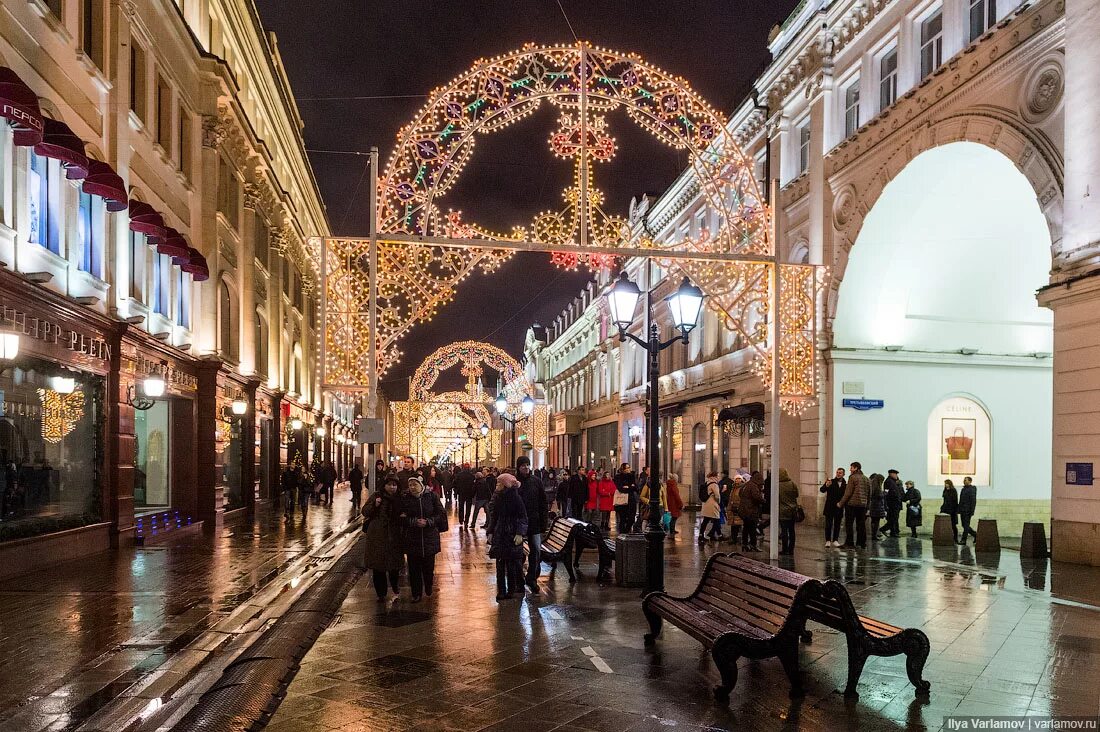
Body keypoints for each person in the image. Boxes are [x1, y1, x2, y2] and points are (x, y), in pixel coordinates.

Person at [397, 477, 445, 602]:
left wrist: (429, 522)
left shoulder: (432, 497)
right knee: (413, 569)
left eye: (415, 484)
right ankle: (416, 593)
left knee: (428, 568)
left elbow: (440, 514)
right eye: (410, 485)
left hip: (429, 538)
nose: (412, 487)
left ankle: (428, 585)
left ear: (421, 485)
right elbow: (400, 517)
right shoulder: (405, 498)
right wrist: (413, 522)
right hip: (412, 538)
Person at [487, 472, 528, 601]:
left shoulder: (516, 498)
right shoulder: (498, 497)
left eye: (499, 483)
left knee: (510, 564)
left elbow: (523, 517)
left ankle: (510, 590)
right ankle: (501, 591)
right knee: (500, 564)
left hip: (511, 535)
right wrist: (491, 531)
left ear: (505, 485)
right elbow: (494, 517)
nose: (496, 485)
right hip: (500, 534)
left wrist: (520, 533)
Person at [363, 476, 403, 601]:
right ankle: (381, 594)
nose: (392, 487)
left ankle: (395, 587)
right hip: (377, 536)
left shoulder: (400, 498)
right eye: (390, 484)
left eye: (395, 485)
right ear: (384, 485)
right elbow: (365, 511)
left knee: (394, 567)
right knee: (378, 567)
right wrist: (375, 505)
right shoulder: (377, 496)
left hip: (395, 536)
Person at [515, 456, 548, 594]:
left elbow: (543, 503)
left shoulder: (536, 481)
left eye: (528, 465)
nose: (526, 468)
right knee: (517, 551)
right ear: (518, 467)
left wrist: (543, 523)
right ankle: (518, 579)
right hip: (519, 523)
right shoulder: (514, 482)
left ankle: (532, 578)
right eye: (523, 465)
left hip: (534, 521)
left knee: (536, 551)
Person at [838, 461, 869, 549]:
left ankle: (849, 543)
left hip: (852, 504)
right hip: (863, 505)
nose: (850, 469)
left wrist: (841, 503)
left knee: (849, 524)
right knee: (861, 524)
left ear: (856, 468)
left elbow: (848, 493)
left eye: (851, 467)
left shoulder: (852, 477)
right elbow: (869, 494)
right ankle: (861, 543)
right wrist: (867, 506)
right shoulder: (866, 479)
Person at [738, 472, 765, 552]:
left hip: (743, 510)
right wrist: (763, 500)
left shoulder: (746, 484)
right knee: (752, 528)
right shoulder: (753, 486)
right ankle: (753, 545)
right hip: (751, 510)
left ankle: (745, 544)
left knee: (746, 528)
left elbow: (740, 494)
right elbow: (757, 497)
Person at [777, 468, 801, 555]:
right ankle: (791, 550)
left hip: (783, 511)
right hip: (792, 510)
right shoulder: (792, 484)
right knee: (792, 531)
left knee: (784, 531)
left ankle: (785, 549)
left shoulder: (778, 485)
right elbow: (797, 494)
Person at [820, 468, 845, 547]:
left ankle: (835, 540)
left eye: (840, 473)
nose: (838, 474)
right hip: (830, 506)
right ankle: (827, 540)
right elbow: (822, 490)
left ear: (843, 474)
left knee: (837, 524)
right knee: (828, 524)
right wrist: (827, 485)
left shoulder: (845, 483)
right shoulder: (831, 481)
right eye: (837, 472)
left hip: (839, 507)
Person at [698, 472, 723, 544]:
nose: (718, 477)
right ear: (714, 476)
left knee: (705, 521)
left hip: (706, 505)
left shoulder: (707, 482)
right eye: (717, 476)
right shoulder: (714, 484)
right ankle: (712, 534)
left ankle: (701, 535)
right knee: (717, 520)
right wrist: (718, 502)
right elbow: (717, 496)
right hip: (712, 505)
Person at [613, 463, 635, 535]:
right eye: (627, 468)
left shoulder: (632, 476)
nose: (628, 469)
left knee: (631, 519)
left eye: (629, 467)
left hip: (631, 500)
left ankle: (626, 531)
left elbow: (635, 487)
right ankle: (622, 534)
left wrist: (628, 487)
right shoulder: (618, 477)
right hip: (622, 502)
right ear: (623, 469)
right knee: (623, 519)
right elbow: (621, 489)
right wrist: (630, 487)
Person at [454, 464, 476, 529]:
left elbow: (455, 483)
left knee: (461, 507)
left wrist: (457, 490)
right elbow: (473, 485)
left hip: (461, 493)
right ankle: (466, 521)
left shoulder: (459, 475)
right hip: (469, 494)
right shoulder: (472, 476)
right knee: (468, 508)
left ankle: (461, 520)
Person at [884, 469, 904, 538]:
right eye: (895, 474)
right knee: (893, 519)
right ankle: (884, 529)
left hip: (896, 504)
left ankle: (894, 532)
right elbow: (887, 493)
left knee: (894, 518)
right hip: (892, 504)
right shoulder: (888, 481)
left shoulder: (894, 482)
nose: (896, 475)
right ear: (891, 474)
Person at [725, 474, 744, 546]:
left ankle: (737, 539)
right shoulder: (733, 487)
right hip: (732, 508)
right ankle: (734, 538)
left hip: (738, 508)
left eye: (739, 479)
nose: (737, 480)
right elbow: (731, 498)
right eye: (736, 479)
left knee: (738, 524)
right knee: (733, 524)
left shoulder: (742, 488)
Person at [958, 476, 978, 545]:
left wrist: (972, 511)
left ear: (970, 481)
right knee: (964, 525)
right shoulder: (963, 489)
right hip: (962, 510)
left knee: (966, 525)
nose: (964, 481)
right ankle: (976, 535)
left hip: (967, 511)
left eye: (966, 480)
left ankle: (963, 540)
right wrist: (959, 509)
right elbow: (960, 500)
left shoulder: (972, 489)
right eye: (964, 480)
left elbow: (973, 501)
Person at [941, 479, 960, 544]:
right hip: (945, 509)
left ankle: (955, 538)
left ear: (950, 484)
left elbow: (955, 501)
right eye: (945, 483)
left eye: (947, 483)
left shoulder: (953, 490)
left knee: (953, 525)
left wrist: (954, 510)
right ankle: (946, 537)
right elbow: (944, 500)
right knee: (945, 524)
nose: (946, 485)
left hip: (952, 510)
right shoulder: (945, 490)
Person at [868, 473, 886, 541]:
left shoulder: (872, 486)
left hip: (873, 506)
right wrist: (884, 493)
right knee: (876, 522)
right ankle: (874, 536)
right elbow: (880, 496)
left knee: (873, 521)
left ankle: (873, 535)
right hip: (877, 507)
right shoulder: (878, 488)